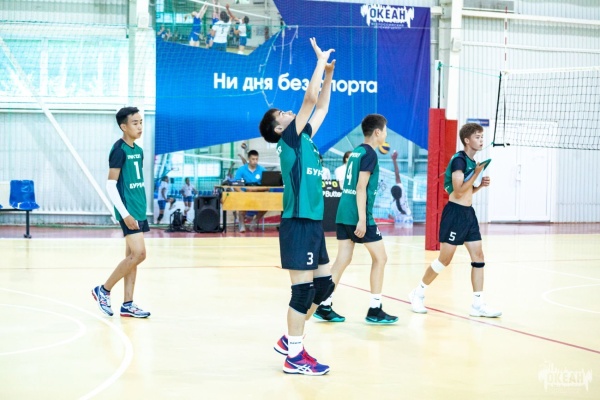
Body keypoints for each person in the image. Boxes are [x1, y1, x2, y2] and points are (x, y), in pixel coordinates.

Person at [259, 37, 335, 375]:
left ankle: (289, 339)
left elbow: (322, 108)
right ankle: (294, 356)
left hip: (313, 222)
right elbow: (309, 100)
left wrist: (328, 74)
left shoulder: (304, 139)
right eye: (283, 114)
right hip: (298, 222)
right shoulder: (289, 140)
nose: (290, 112)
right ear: (280, 128)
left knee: (324, 286)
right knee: (302, 291)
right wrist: (318, 61)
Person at [408, 123, 501, 318]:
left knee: (478, 257)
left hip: (469, 214)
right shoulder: (459, 160)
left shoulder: (471, 161)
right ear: (467, 140)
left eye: (482, 137)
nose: (481, 140)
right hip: (455, 215)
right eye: (477, 137)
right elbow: (458, 191)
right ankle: (418, 292)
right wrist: (477, 173)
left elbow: (466, 191)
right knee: (444, 260)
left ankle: (478, 305)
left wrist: (479, 186)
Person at [314, 114, 398, 324]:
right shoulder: (369, 154)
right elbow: (361, 187)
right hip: (358, 214)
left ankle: (324, 304)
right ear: (377, 132)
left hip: (344, 211)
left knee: (343, 258)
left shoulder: (356, 152)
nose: (386, 134)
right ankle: (375, 309)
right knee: (381, 258)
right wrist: (362, 219)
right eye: (385, 130)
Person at [91, 106, 151, 318]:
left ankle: (128, 304)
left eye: (141, 122)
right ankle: (104, 290)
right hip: (128, 210)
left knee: (132, 257)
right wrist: (125, 214)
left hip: (139, 208)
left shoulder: (138, 151)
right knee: (140, 254)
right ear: (123, 127)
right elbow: (111, 185)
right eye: (135, 123)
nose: (140, 126)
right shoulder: (119, 150)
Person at [233, 149, 266, 232]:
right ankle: (242, 224)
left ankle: (254, 221)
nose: (255, 161)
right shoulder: (241, 170)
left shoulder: (262, 170)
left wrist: (255, 189)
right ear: (249, 159)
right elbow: (235, 186)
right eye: (253, 159)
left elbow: (268, 187)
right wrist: (242, 193)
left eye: (256, 159)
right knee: (242, 205)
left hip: (258, 194)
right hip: (245, 194)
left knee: (268, 204)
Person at [389, 150, 413, 224]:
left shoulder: (393, 205)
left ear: (392, 194)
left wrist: (392, 218)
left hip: (400, 222)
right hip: (409, 219)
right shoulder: (402, 195)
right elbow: (397, 175)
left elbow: (398, 218)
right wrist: (394, 160)